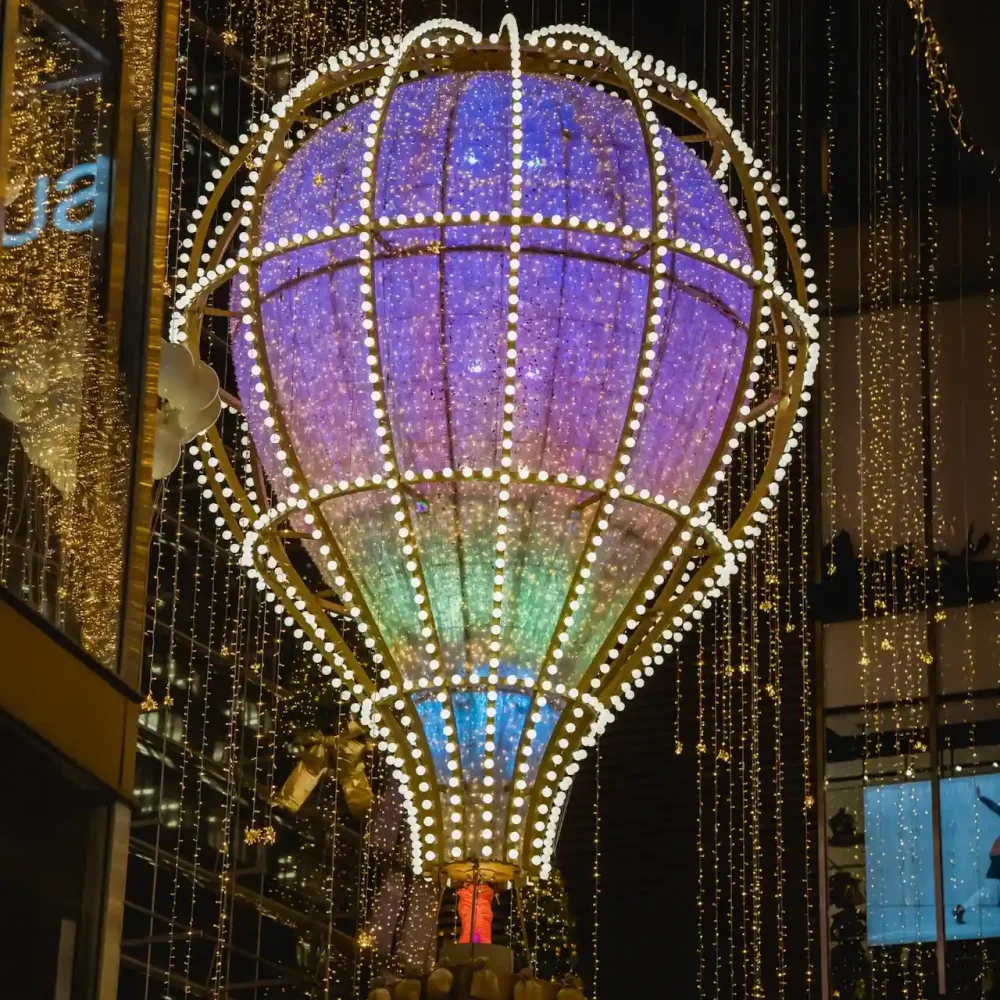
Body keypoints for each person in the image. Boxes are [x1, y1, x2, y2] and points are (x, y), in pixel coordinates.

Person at [953, 785, 1000, 924]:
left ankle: (961, 908)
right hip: (998, 855)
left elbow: (995, 807)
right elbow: (995, 807)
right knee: (988, 890)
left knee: (988, 890)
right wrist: (981, 798)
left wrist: (981, 798)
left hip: (996, 854)